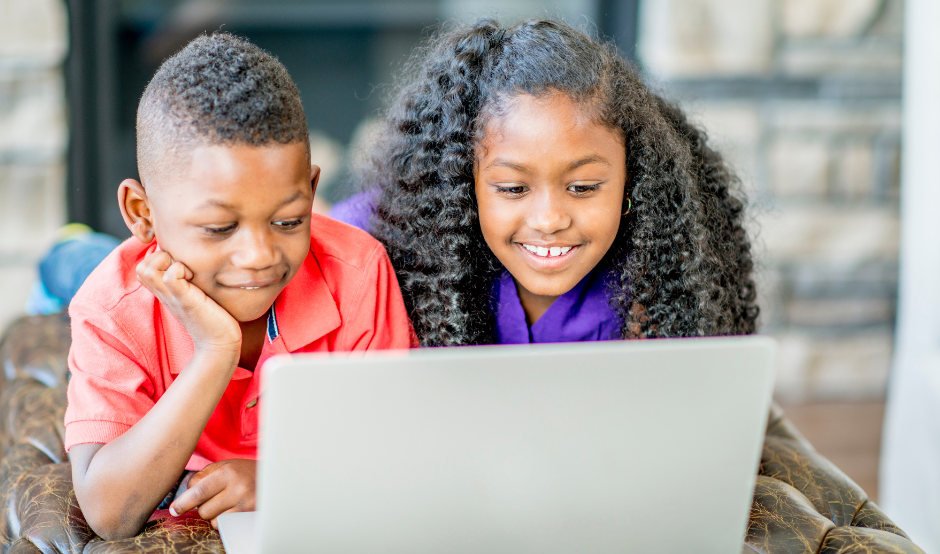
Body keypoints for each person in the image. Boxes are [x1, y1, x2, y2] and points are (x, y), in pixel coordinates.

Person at [64, 33, 415, 540]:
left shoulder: (358, 272)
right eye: (219, 228)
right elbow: (110, 512)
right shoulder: (111, 308)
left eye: (289, 221)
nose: (259, 257)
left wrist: (279, 480)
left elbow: (395, 457)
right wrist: (215, 350)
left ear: (311, 191)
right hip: (115, 274)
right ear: (143, 215)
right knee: (73, 268)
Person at [330, 18, 758, 346]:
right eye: (514, 189)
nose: (550, 220)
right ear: (462, 184)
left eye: (584, 187)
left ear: (633, 182)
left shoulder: (664, 272)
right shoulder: (371, 244)